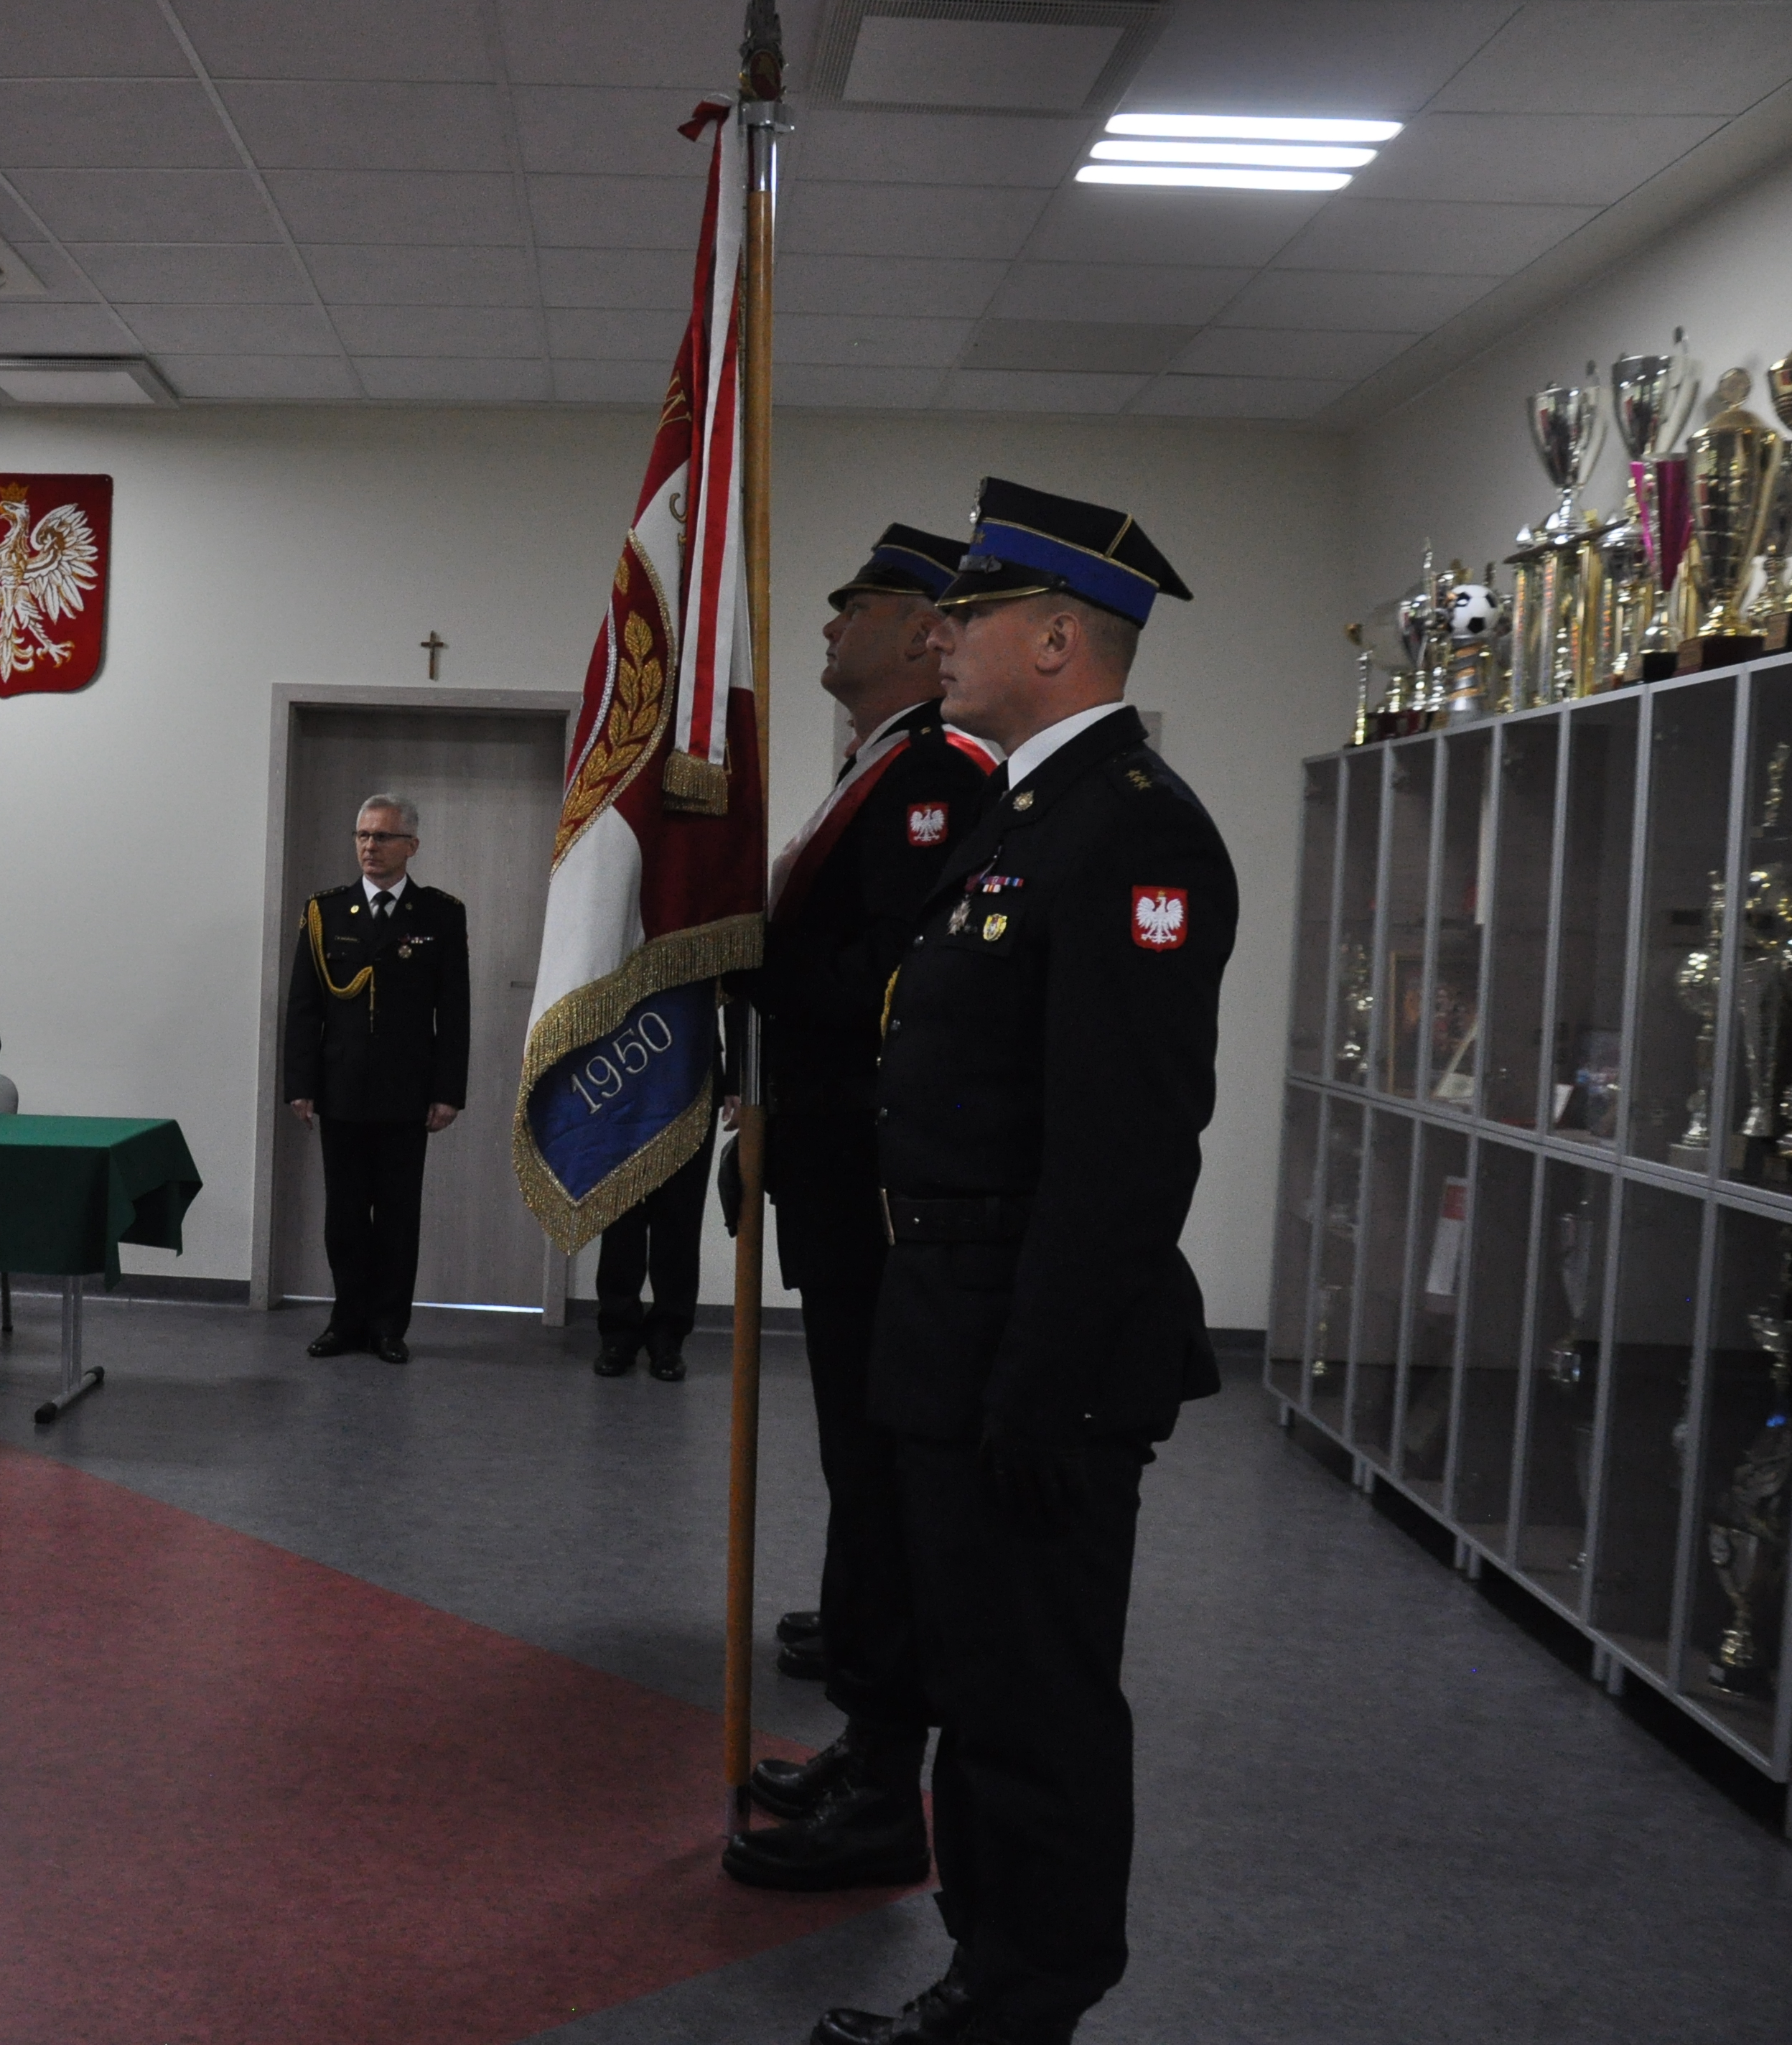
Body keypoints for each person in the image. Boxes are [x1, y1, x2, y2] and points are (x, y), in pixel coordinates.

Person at [809, 480, 1233, 2045]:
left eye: (971, 613)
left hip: (1029, 1348)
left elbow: (1123, 1152)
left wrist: (1038, 1385)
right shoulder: (1029, 808)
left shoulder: (1132, 828)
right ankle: (981, 1976)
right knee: (979, 1685)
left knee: (1033, 1700)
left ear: (1057, 639)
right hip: (952, 1323)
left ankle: (1023, 1991)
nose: (941, 633)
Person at [722, 523, 994, 1896]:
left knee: (883, 1472)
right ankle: (863, 1735)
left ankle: (887, 1782)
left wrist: (746, 961)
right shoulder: (877, 765)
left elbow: (893, 981)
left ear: (918, 630)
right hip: (836, 1173)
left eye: (857, 605)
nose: (830, 625)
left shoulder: (935, 775)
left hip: (877, 1183)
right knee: (855, 1459)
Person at [281, 793, 468, 1366]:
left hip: (407, 1093)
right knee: (343, 1216)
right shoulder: (326, 912)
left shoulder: (439, 914)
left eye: (383, 837)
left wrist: (448, 1092)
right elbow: (305, 1006)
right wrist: (300, 1083)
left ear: (411, 846)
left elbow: (453, 1010)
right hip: (340, 1089)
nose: (370, 847)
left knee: (396, 1216)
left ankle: (388, 1326)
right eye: (363, 835)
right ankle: (346, 1321)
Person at [590, 1114, 709, 1382]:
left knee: (680, 1217)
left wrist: (733, 1092)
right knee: (621, 1219)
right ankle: (618, 1334)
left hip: (692, 1097)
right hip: (624, 1097)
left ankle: (668, 1340)